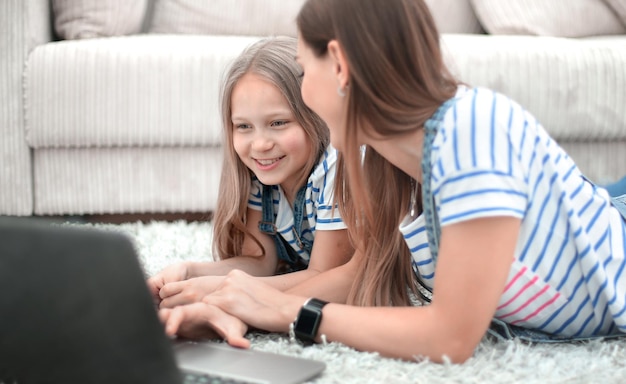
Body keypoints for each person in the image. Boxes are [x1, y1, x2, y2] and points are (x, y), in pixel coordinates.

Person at [158, 0, 626, 364]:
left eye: (303, 70)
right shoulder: (380, 158)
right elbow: (365, 280)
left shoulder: (473, 129)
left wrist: (286, 312)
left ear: (339, 65)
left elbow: (450, 337)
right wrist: (232, 303)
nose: (302, 92)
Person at [148, 36, 353, 309]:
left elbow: (324, 277)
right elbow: (261, 261)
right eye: (244, 127)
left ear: (315, 116)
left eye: (278, 123)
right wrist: (190, 272)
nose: (260, 145)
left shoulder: (336, 169)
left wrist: (217, 291)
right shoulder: (264, 177)